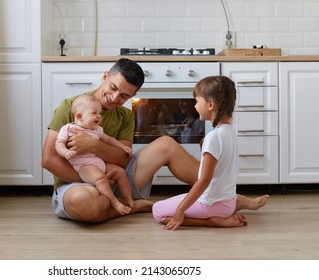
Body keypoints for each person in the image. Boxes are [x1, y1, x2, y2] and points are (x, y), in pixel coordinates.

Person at [41, 58, 269, 224]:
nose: (114, 98)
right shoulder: (71, 107)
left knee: (167, 144)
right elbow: (49, 159)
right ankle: (133, 206)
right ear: (105, 77)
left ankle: (223, 197)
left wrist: (94, 146)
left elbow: (122, 160)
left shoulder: (125, 115)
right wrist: (93, 181)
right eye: (113, 88)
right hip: (79, 183)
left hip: (115, 177)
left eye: (124, 96)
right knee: (84, 202)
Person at [152, 76, 264, 230]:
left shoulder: (214, 137)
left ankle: (212, 221)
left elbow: (204, 180)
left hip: (212, 205)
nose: (195, 105)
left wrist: (180, 210)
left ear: (210, 104)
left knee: (157, 211)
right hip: (228, 202)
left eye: (197, 101)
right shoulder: (228, 131)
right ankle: (222, 214)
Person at [55, 94, 135, 215]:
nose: (99, 116)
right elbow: (58, 143)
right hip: (84, 166)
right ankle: (115, 202)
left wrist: (122, 146)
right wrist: (65, 152)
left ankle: (128, 198)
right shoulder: (68, 129)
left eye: (99, 113)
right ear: (79, 116)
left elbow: (109, 140)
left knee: (120, 172)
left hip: (99, 163)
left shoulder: (96, 129)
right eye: (94, 113)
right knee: (101, 179)